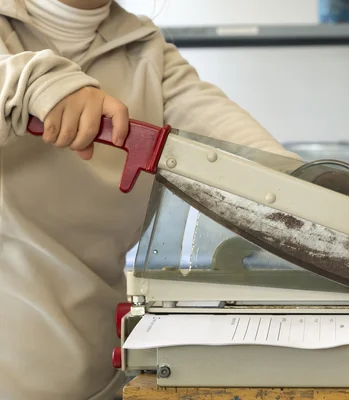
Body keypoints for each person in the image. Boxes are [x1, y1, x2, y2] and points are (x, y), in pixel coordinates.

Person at [0, 0, 298, 399]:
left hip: (101, 363)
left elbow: (237, 149)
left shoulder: (145, 49)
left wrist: (312, 193)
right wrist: (34, 80)